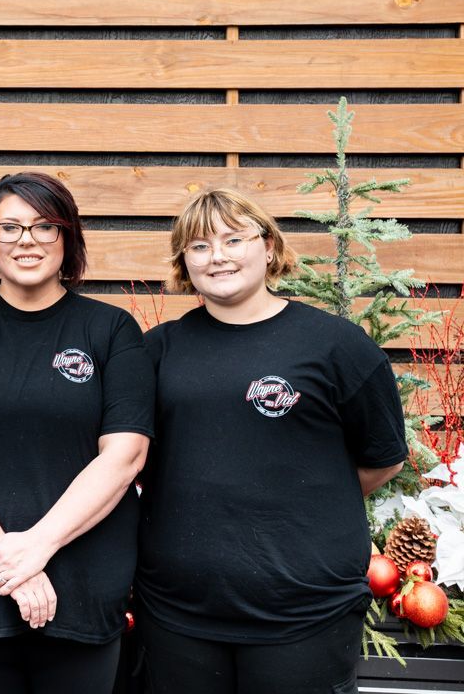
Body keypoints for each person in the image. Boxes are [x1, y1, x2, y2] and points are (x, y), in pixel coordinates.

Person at [136, 188, 407, 694]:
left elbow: (382, 462)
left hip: (306, 615)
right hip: (178, 615)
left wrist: (300, 508)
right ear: (184, 263)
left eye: (233, 239)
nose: (217, 256)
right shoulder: (157, 351)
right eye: (198, 246)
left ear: (268, 247)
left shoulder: (336, 346)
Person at [0, 172, 154, 693]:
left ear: (69, 237)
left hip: (83, 583)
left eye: (44, 226)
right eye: (9, 227)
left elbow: (124, 455)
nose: (27, 241)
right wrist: (8, 561)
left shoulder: (110, 331)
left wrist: (37, 547)